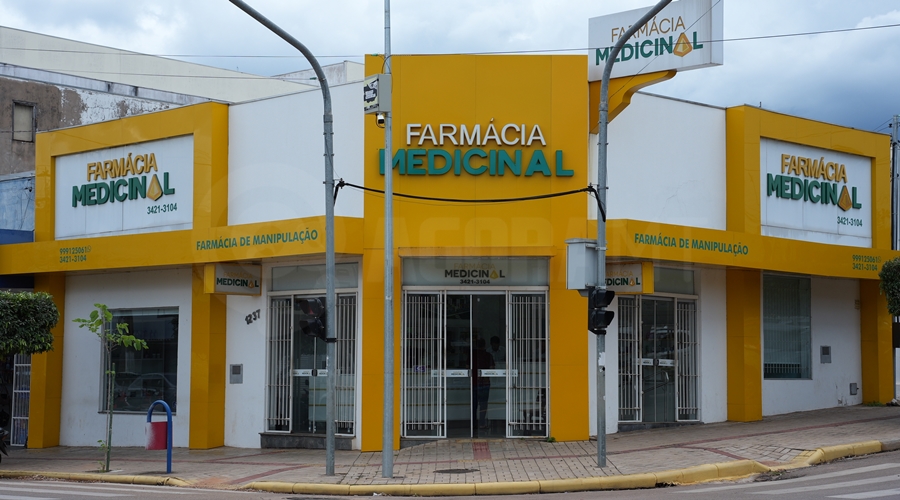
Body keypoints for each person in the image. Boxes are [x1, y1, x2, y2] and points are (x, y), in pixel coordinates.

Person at [471, 337, 494, 430]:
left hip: (474, 382)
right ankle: (482, 423)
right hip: (485, 383)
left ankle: (473, 424)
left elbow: (467, 367)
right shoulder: (488, 355)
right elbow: (492, 368)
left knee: (474, 405)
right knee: (483, 405)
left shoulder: (472, 355)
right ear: (485, 345)